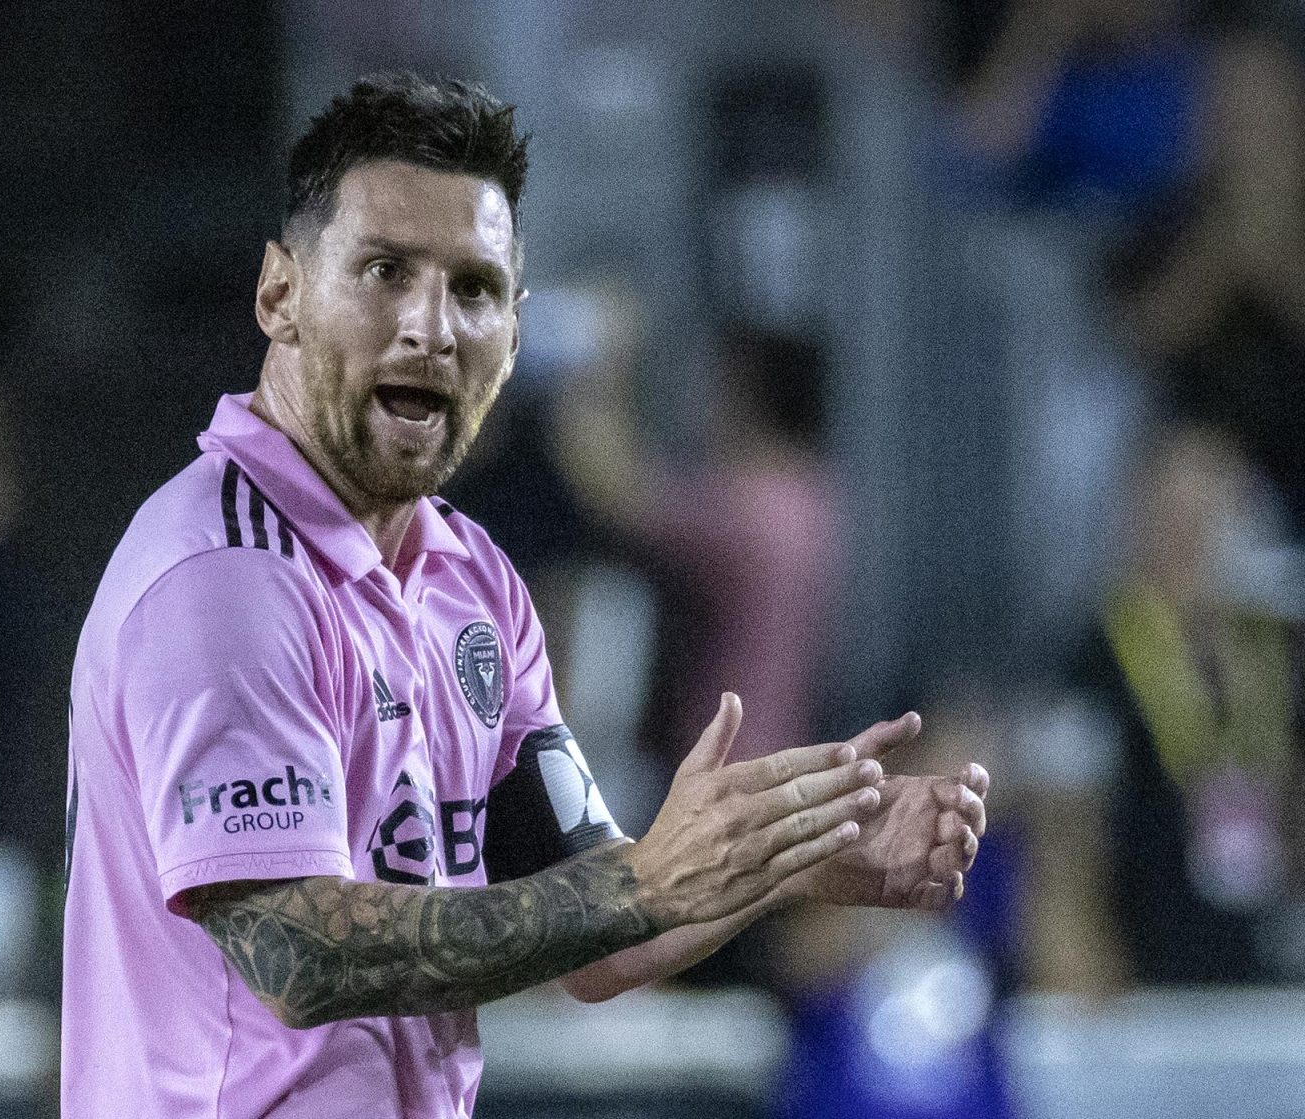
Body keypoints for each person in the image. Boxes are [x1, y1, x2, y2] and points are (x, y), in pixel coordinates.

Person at [59, 73, 990, 1119]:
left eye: (473, 289)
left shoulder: (471, 582)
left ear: (515, 331)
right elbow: (295, 952)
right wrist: (646, 885)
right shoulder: (222, 577)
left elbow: (594, 922)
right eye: (382, 272)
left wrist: (782, 856)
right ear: (281, 294)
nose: (430, 328)